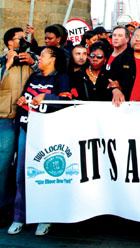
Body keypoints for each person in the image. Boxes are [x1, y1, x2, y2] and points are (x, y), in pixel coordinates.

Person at [8, 46, 71, 236]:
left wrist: (46, 97)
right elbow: (26, 97)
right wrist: (22, 101)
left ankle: (45, 217)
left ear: (53, 59)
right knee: (21, 174)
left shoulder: (61, 77)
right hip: (27, 129)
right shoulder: (34, 76)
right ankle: (20, 216)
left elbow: (66, 101)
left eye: (43, 55)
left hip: (48, 131)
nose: (39, 58)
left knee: (46, 175)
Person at [0, 29, 37, 225]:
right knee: (3, 166)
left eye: (25, 38)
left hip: (26, 119)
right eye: (20, 38)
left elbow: (45, 75)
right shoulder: (2, 61)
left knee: (22, 168)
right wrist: (7, 64)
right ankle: (2, 208)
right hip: (5, 118)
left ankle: (19, 210)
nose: (24, 41)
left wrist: (33, 62)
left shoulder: (31, 61)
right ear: (9, 42)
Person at [106, 26, 136, 106]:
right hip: (106, 99)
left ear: (127, 39)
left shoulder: (131, 57)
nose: (116, 38)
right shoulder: (107, 53)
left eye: (120, 36)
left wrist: (117, 87)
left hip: (124, 101)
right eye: (114, 35)